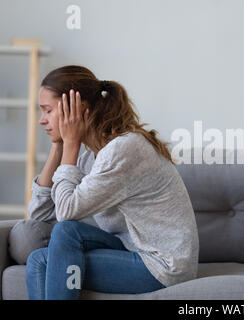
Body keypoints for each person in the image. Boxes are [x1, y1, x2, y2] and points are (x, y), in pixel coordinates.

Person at [12, 65, 199, 299]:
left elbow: (67, 211)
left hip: (163, 265)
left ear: (78, 111)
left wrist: (70, 144)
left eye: (48, 111)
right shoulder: (90, 156)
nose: (41, 120)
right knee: (42, 257)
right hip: (131, 249)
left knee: (62, 234)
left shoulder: (124, 149)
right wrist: (57, 147)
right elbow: (40, 218)